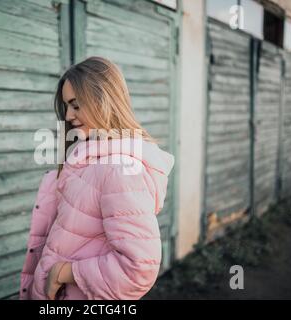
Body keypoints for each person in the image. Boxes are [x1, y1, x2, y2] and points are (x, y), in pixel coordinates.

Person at [20, 56, 175, 300]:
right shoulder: (89, 160)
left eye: (76, 104)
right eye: (66, 106)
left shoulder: (119, 169)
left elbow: (138, 269)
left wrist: (63, 272)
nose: (69, 115)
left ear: (103, 100)